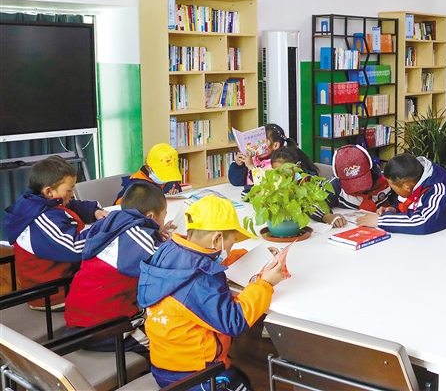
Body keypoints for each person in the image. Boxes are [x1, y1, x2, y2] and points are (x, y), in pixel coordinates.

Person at [138, 196, 284, 389]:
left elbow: (205, 259)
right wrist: (265, 283)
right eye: (232, 242)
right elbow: (233, 321)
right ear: (216, 239)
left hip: (165, 364)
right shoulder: (198, 281)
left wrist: (247, 257)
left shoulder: (168, 251)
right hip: (195, 376)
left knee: (240, 376)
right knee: (243, 384)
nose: (230, 248)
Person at [65, 182, 170, 353]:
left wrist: (154, 233)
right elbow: (171, 261)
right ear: (150, 216)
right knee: (167, 346)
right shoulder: (137, 237)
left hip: (77, 319)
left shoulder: (107, 224)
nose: (164, 221)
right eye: (164, 216)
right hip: (103, 328)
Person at [3, 156, 108, 308]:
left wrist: (94, 212)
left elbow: (70, 205)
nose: (72, 194)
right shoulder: (41, 219)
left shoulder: (39, 202)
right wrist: (105, 229)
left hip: (64, 278)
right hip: (53, 294)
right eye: (69, 190)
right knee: (118, 283)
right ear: (49, 191)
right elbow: (75, 248)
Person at [357, 153, 446, 234]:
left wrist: (380, 221)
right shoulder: (415, 181)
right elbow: (410, 206)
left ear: (407, 186)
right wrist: (394, 210)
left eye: (393, 187)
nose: (392, 190)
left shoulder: (442, 192)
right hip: (431, 238)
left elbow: (424, 222)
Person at [325, 145, 397, 222]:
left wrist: (393, 208)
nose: (359, 189)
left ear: (370, 168)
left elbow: (400, 199)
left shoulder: (387, 180)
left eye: (362, 181)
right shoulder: (334, 185)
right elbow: (317, 205)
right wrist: (327, 217)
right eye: (352, 184)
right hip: (347, 226)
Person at [228, 123, 294, 194]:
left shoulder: (277, 164)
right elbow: (236, 182)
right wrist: (239, 165)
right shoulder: (252, 158)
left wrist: (251, 167)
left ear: (275, 145)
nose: (257, 145)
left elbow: (267, 186)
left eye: (263, 141)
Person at [115, 143, 182, 204]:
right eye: (162, 173)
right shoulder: (136, 184)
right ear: (148, 167)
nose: (166, 178)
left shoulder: (171, 181)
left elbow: (179, 193)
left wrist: (176, 193)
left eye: (169, 173)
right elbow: (118, 205)